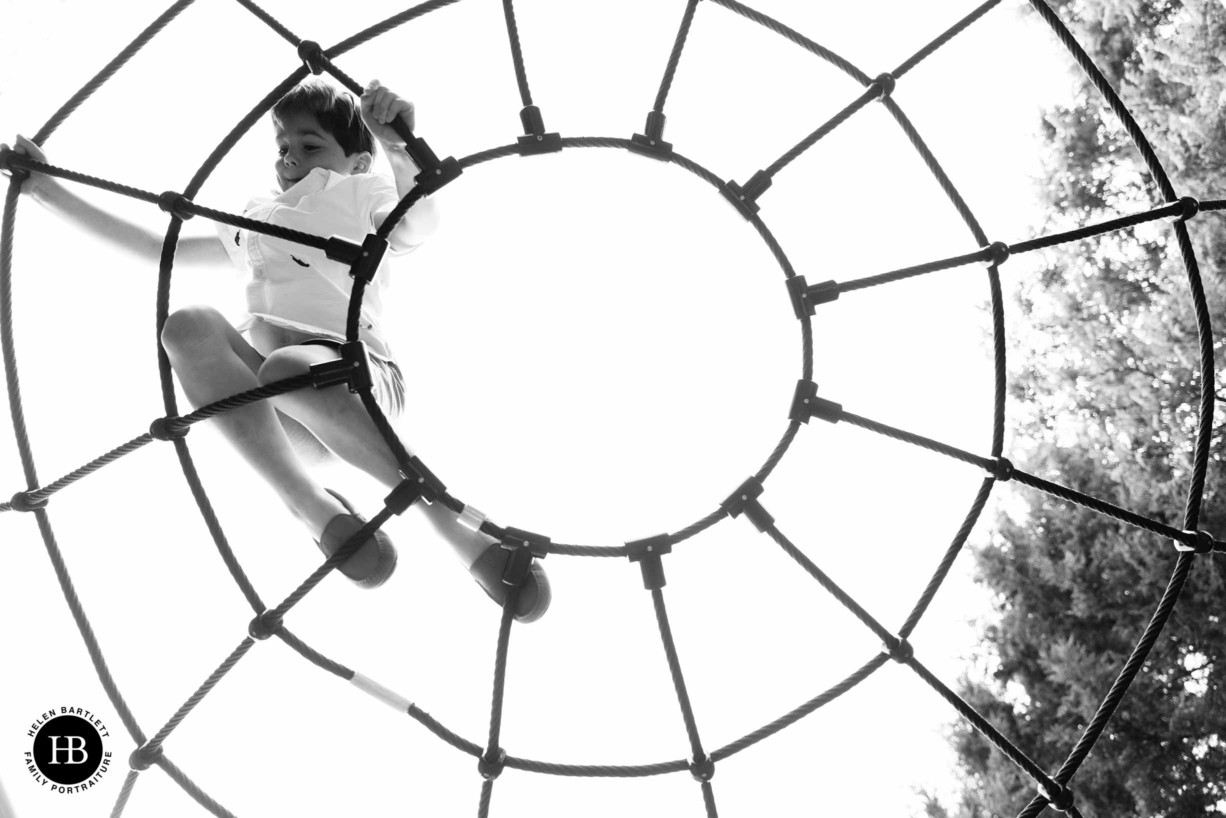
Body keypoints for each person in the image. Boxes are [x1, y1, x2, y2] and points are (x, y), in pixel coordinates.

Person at [1, 79, 550, 622]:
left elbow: (416, 223)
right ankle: (313, 509)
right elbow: (153, 248)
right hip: (283, 416)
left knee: (290, 367)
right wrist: (43, 188)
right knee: (188, 326)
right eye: (283, 147)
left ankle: (455, 533)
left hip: (362, 386)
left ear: (357, 162)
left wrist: (397, 144)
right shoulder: (255, 221)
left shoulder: (360, 193)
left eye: (311, 146)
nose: (291, 158)